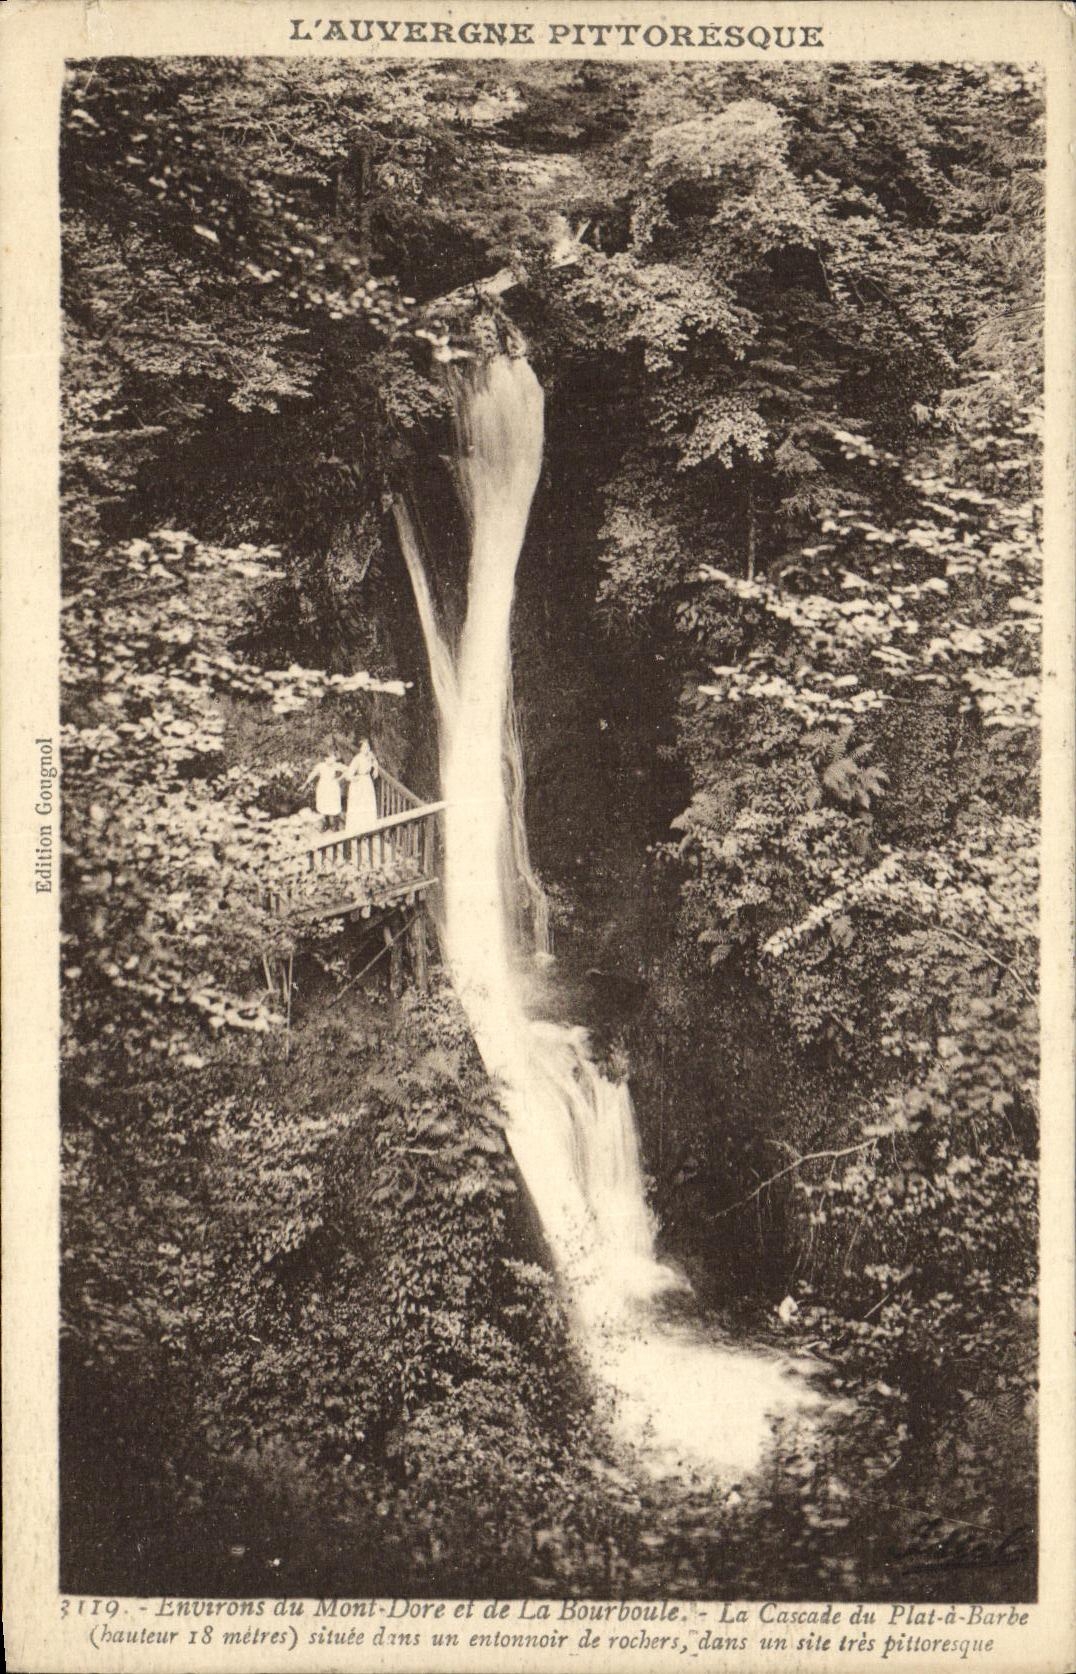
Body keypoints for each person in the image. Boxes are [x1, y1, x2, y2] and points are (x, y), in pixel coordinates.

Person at [344, 738, 380, 835]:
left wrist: (376, 769)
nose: (366, 749)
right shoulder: (357, 759)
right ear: (360, 748)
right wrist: (354, 778)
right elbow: (348, 775)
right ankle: (358, 830)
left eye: (367, 747)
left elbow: (375, 762)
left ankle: (369, 829)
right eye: (364, 747)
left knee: (368, 804)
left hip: (367, 782)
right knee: (359, 806)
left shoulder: (370, 756)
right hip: (359, 784)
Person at [303, 752, 344, 829]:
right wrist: (305, 784)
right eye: (331, 758)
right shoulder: (321, 766)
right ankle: (326, 823)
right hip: (323, 787)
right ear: (326, 758)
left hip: (332, 787)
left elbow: (347, 769)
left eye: (334, 758)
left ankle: (335, 825)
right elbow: (312, 774)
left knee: (334, 805)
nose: (333, 759)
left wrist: (340, 778)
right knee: (324, 805)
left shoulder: (336, 765)